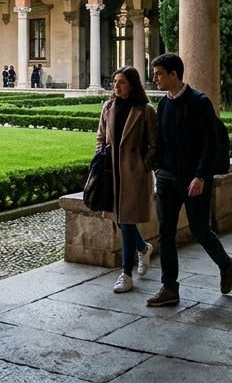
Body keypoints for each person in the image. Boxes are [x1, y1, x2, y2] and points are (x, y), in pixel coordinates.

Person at [146, 53, 232, 306]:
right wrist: (158, 169)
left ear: (174, 74)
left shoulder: (199, 102)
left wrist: (200, 176)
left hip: (195, 181)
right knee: (165, 233)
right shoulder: (163, 104)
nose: (155, 79)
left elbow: (211, 144)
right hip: (167, 179)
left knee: (200, 230)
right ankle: (169, 288)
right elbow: (160, 142)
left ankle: (225, 263)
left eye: (159, 73)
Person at [97, 66, 158, 294]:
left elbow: (154, 144)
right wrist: (100, 157)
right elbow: (101, 136)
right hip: (112, 171)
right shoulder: (109, 107)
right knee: (121, 220)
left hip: (133, 173)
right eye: (114, 82)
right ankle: (143, 248)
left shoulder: (145, 111)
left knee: (127, 221)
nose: (116, 86)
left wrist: (144, 165)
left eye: (121, 82)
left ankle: (126, 273)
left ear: (132, 85)